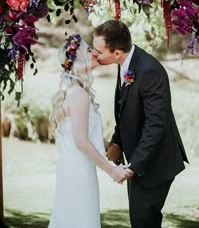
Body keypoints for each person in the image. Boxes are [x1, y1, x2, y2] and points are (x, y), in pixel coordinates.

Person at [93, 20, 189, 228]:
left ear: (117, 53)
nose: (95, 54)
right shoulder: (126, 64)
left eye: (99, 51)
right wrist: (117, 142)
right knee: (143, 221)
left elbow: (156, 124)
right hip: (140, 162)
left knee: (143, 221)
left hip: (155, 164)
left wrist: (134, 166)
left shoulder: (149, 70)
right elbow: (127, 110)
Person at [48, 33, 130, 228]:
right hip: (78, 172)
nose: (94, 52)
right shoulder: (79, 95)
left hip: (77, 168)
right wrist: (112, 171)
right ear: (79, 59)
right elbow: (81, 141)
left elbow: (83, 135)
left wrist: (110, 146)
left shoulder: (76, 91)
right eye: (89, 49)